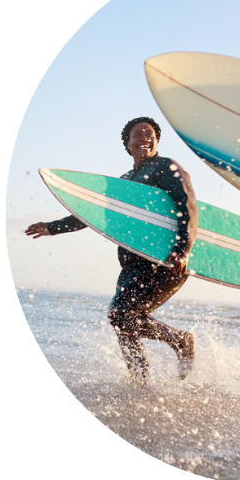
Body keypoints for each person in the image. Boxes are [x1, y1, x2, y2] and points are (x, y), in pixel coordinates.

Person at [25, 117, 199, 383]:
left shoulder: (167, 167)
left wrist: (183, 250)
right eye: (138, 134)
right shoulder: (125, 181)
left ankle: (181, 341)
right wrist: (52, 227)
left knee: (120, 315)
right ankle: (141, 384)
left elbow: (188, 206)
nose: (145, 137)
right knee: (124, 326)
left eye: (150, 134)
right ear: (127, 144)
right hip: (132, 266)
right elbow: (92, 215)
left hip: (164, 261)